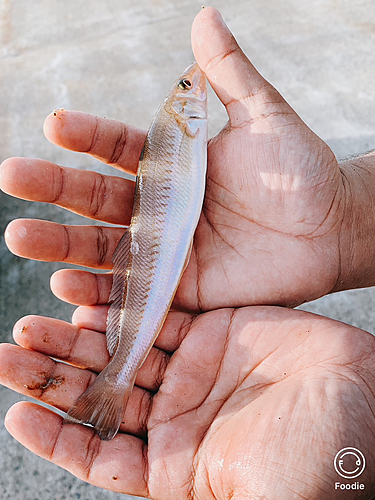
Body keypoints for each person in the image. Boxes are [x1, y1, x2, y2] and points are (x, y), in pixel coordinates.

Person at [0, 6, 374, 499]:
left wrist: (341, 215)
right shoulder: (182, 124)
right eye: (184, 90)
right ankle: (117, 377)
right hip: (165, 248)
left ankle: (118, 378)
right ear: (181, 110)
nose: (193, 87)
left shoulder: (187, 127)